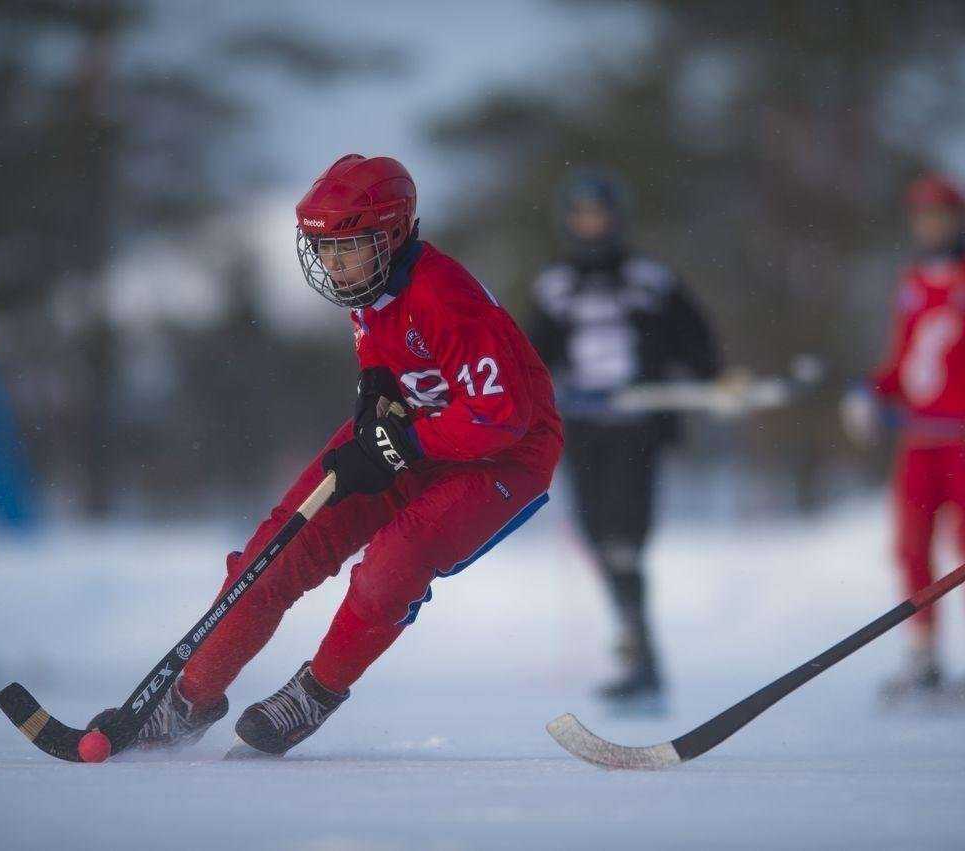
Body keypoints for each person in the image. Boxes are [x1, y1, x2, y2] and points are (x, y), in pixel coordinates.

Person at [90, 154, 563, 757]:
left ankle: (315, 692)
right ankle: (187, 701)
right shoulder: (368, 283)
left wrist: (404, 443)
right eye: (325, 251)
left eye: (349, 248)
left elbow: (500, 417)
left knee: (395, 561)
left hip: (504, 456)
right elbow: (380, 350)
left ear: (392, 235)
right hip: (419, 431)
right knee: (276, 550)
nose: (335, 265)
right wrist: (375, 396)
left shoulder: (445, 296)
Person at [526, 169, 721, 707]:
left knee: (625, 540)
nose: (592, 225)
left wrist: (703, 379)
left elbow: (698, 346)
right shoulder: (555, 286)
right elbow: (529, 359)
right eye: (581, 214)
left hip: (638, 431)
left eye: (600, 213)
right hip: (584, 431)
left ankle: (642, 657)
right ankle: (637, 650)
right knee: (597, 536)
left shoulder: (651, 280)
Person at [842, 175, 965, 703]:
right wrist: (873, 391)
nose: (932, 226)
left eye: (941, 216)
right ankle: (923, 652)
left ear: (960, 221)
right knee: (911, 546)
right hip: (920, 440)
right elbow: (905, 360)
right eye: (923, 217)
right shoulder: (913, 283)